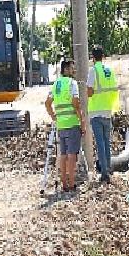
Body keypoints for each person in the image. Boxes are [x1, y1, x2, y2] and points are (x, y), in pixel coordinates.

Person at [45, 59, 86, 192]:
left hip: (61, 124)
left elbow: (47, 103)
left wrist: (54, 117)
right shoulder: (71, 83)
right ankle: (72, 183)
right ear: (66, 69)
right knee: (72, 155)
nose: (74, 70)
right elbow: (76, 102)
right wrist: (82, 121)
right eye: (72, 68)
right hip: (72, 123)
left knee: (63, 154)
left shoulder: (56, 84)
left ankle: (64, 183)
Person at [87, 45, 120, 183]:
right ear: (103, 56)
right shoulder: (109, 71)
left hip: (96, 112)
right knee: (107, 142)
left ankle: (104, 173)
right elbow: (114, 90)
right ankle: (108, 169)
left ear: (93, 58)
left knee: (100, 143)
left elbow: (89, 91)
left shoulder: (93, 70)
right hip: (107, 110)